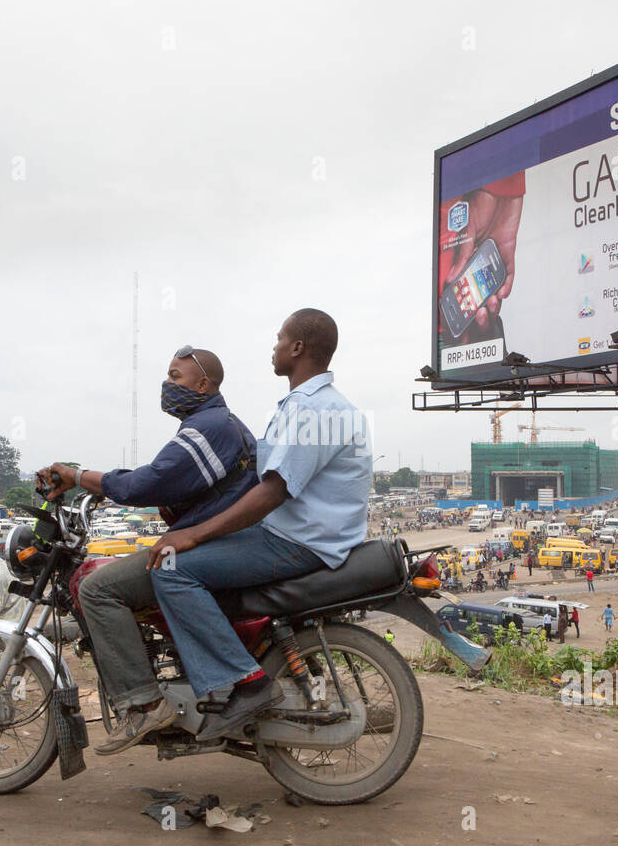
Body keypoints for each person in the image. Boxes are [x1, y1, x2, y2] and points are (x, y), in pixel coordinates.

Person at [146, 309, 372, 741]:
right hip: (302, 532)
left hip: (297, 540)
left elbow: (272, 492)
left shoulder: (312, 410)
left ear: (297, 348)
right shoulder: (315, 404)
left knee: (172, 569)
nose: (274, 346)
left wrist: (192, 533)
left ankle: (248, 685)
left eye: (279, 338)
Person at [39, 346, 259, 755]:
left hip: (210, 545)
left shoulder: (209, 426)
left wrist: (78, 475)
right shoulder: (213, 425)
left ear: (204, 384)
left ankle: (143, 703)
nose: (168, 385)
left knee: (97, 589)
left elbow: (147, 483)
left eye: (176, 377)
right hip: (220, 541)